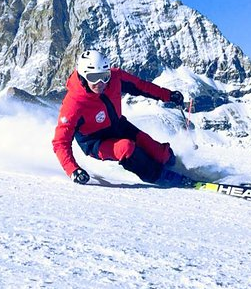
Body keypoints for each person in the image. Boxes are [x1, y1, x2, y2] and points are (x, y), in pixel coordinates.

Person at [52, 50, 191, 187]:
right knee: (126, 148)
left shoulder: (115, 77)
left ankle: (176, 166)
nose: (100, 83)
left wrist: (168, 95)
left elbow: (141, 86)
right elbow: (60, 142)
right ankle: (160, 176)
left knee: (157, 151)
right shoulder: (73, 104)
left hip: (119, 126)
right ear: (83, 76)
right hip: (95, 141)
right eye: (94, 78)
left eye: (104, 76)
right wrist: (73, 170)